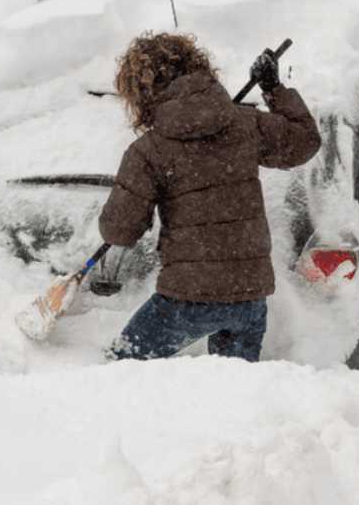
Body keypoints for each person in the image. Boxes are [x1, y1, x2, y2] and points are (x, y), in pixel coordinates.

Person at [98, 32, 322, 362]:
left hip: (186, 299)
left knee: (120, 371)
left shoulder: (148, 151)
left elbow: (119, 231)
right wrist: (273, 88)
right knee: (233, 393)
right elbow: (304, 142)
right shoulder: (245, 124)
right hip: (249, 296)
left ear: (141, 94)